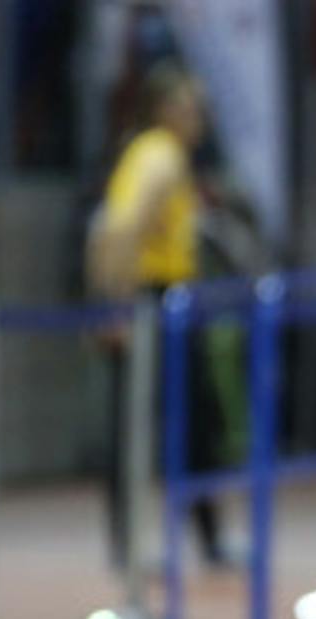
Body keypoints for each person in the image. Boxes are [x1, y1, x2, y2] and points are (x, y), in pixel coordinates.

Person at [87, 61, 232, 571]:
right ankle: (134, 550)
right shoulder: (160, 156)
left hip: (167, 300)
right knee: (143, 426)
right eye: (191, 108)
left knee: (191, 422)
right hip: (154, 301)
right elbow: (119, 229)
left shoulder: (159, 155)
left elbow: (108, 230)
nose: (201, 118)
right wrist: (117, 305)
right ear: (165, 110)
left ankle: (204, 538)